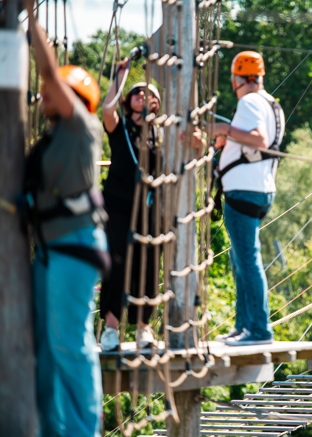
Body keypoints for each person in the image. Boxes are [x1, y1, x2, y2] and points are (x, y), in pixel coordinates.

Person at [24, 2, 107, 435]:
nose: (44, 93)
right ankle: (50, 428)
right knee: (43, 343)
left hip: (75, 244)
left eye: (53, 90)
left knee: (69, 343)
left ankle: (81, 430)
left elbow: (48, 71)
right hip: (49, 249)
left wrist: (30, 17)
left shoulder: (81, 126)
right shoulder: (51, 139)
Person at [210, 51, 286, 346]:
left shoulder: (250, 101)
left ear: (236, 80)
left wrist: (222, 129)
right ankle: (243, 325)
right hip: (260, 188)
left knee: (248, 261)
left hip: (244, 190)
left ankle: (258, 330)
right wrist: (230, 140)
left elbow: (258, 139)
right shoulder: (272, 104)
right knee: (240, 259)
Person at [98, 57, 163, 351]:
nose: (142, 95)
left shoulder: (160, 132)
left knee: (147, 266)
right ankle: (111, 330)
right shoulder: (120, 127)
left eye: (149, 93)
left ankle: (143, 329)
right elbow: (107, 109)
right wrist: (120, 76)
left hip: (149, 207)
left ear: (156, 104)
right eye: (137, 92)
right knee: (117, 263)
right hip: (118, 205)